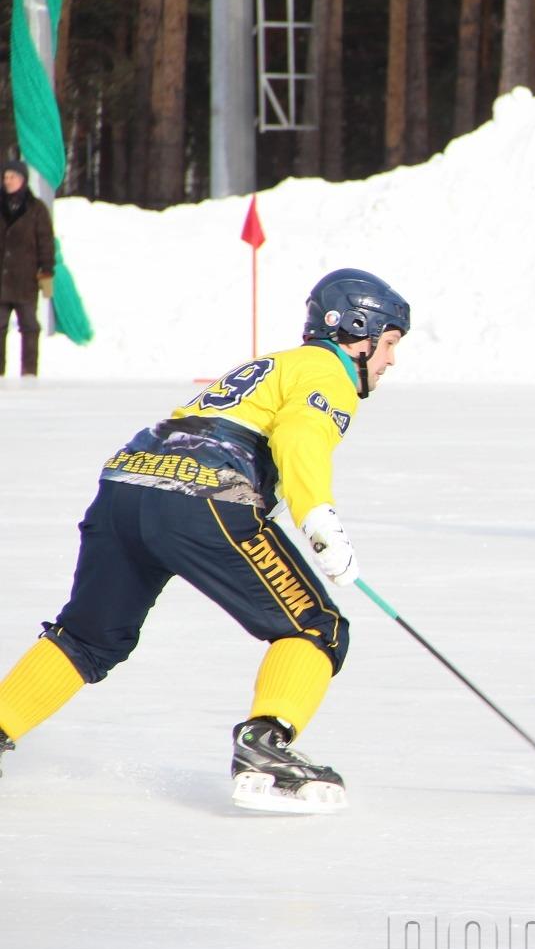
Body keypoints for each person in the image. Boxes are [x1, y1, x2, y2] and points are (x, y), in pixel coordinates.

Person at [0, 268, 411, 812]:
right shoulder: (326, 369)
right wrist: (319, 519)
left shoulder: (276, 363)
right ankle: (266, 745)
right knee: (315, 627)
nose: (390, 361)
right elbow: (301, 435)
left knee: (89, 637)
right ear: (357, 333)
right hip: (203, 493)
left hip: (126, 483)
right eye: (387, 344)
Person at [0, 159, 55, 378]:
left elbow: (45, 242)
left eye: (12, 177)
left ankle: (29, 373)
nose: (7, 181)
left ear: (22, 180)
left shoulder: (36, 209)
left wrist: (46, 270)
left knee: (30, 327)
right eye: (5, 177)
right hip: (1, 281)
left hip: (25, 281)